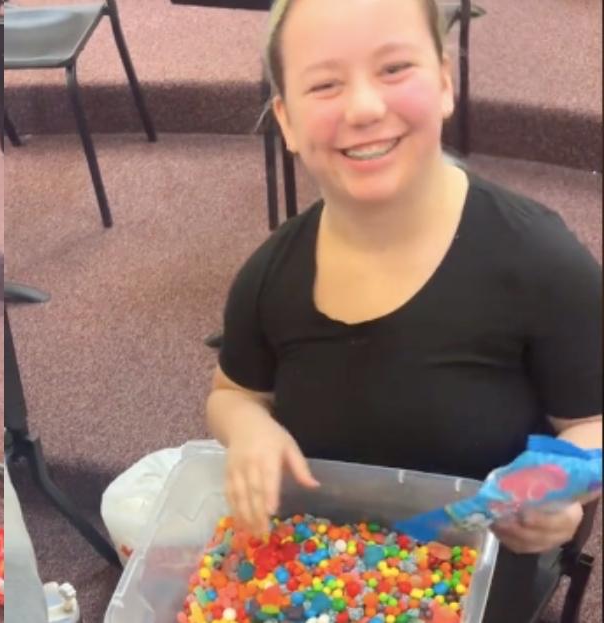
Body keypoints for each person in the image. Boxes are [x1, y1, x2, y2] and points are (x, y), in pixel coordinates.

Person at [205, 0, 601, 620]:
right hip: (321, 574)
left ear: (444, 80)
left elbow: (595, 421)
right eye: (325, 83)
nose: (364, 107)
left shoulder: (541, 262)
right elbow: (233, 392)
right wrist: (249, 427)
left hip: (473, 574)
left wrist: (556, 493)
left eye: (393, 69)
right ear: (285, 120)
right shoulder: (270, 274)